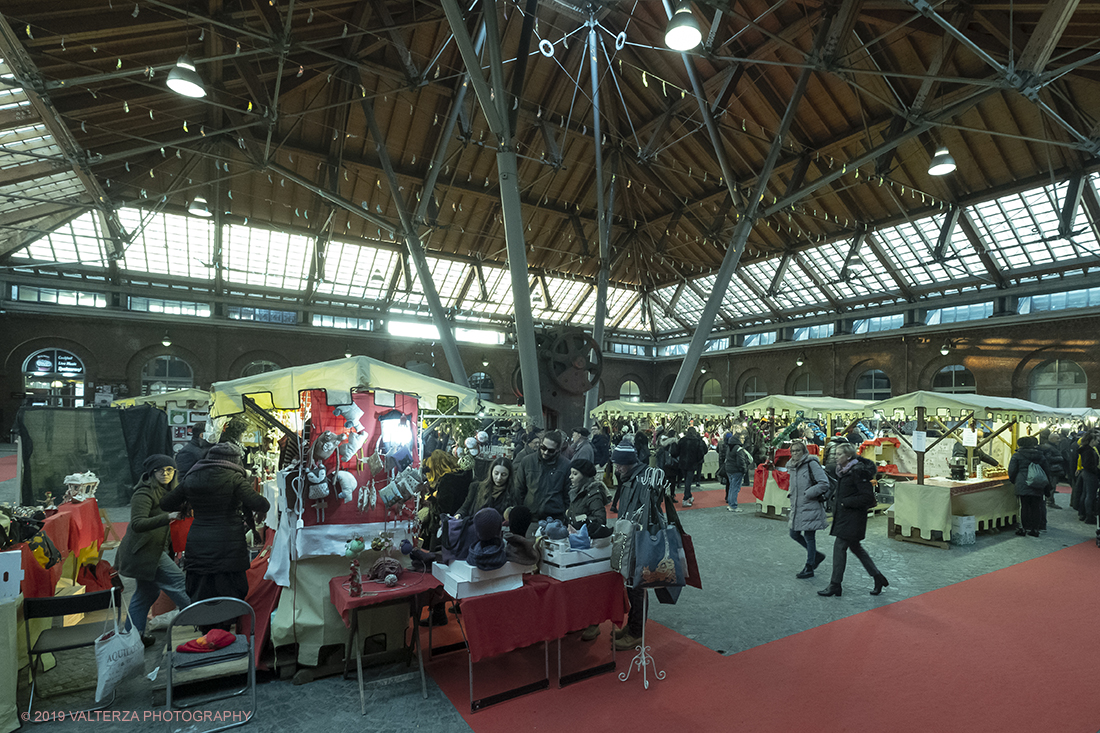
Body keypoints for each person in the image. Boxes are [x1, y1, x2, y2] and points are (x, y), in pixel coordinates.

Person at [161, 440, 270, 606]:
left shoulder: (192, 476)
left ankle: (207, 629)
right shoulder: (235, 478)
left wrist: (192, 501)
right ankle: (225, 629)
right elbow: (261, 504)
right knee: (230, 592)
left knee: (202, 592)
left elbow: (166, 503)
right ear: (235, 461)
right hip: (229, 544)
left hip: (198, 543)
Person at [116, 454, 191, 645]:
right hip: (145, 553)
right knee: (179, 584)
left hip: (154, 550)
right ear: (152, 473)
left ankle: (133, 638)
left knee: (146, 594)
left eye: (169, 470)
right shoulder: (144, 493)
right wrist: (167, 516)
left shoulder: (169, 490)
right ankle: (200, 622)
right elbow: (137, 523)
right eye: (160, 470)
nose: (165, 473)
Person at [818, 443, 887, 597]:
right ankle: (877, 577)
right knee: (856, 548)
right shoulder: (844, 472)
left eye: (839, 454)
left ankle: (835, 584)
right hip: (845, 517)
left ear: (848, 456)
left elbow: (867, 497)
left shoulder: (858, 472)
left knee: (839, 547)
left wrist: (845, 503)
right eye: (835, 454)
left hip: (853, 518)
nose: (836, 457)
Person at [608, 439, 655, 651]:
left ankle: (637, 632)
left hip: (639, 538)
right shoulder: (628, 477)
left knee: (638, 587)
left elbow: (645, 513)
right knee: (632, 586)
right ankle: (633, 627)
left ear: (629, 462)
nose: (617, 468)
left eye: (620, 464)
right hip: (631, 535)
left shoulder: (642, 480)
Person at [785, 441, 829, 579]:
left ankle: (809, 566)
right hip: (798, 507)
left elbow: (824, 482)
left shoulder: (811, 464)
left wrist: (808, 493)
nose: (795, 453)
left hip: (811, 506)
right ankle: (816, 556)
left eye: (798, 450)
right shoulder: (792, 466)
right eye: (793, 451)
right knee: (794, 533)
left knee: (810, 537)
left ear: (804, 451)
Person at [420, 450, 473, 550]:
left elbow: (442, 509)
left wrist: (431, 498)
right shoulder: (462, 477)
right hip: (459, 526)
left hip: (444, 528)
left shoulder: (446, 481)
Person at [513, 429, 571, 521]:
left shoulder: (566, 465)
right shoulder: (527, 461)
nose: (546, 452)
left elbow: (568, 493)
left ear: (558, 450)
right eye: (543, 448)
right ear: (540, 444)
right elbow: (519, 489)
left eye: (551, 450)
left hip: (555, 517)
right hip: (530, 516)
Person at [1007, 436, 1049, 537]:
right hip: (1038, 483)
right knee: (1036, 506)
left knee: (1024, 506)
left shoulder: (1017, 456)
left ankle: (1025, 528)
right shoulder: (1040, 455)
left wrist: (1014, 481)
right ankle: (1035, 529)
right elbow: (1046, 469)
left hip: (1023, 482)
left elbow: (1012, 471)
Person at [566, 458, 610, 530]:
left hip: (586, 536)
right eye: (570, 473)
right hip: (576, 533)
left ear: (585, 476)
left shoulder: (593, 495)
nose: (570, 477)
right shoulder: (575, 491)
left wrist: (580, 519)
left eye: (575, 474)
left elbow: (600, 519)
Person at [677, 427, 707, 507]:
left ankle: (689, 496)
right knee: (688, 481)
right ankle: (685, 498)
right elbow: (703, 451)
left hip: (682, 462)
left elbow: (676, 451)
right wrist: (698, 460)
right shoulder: (697, 441)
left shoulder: (682, 440)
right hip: (692, 463)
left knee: (687, 479)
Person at [724, 434, 753, 513]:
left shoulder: (729, 447)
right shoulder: (739, 449)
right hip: (736, 470)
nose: (743, 440)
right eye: (742, 438)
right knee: (735, 488)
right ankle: (733, 505)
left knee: (731, 487)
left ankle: (730, 504)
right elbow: (741, 461)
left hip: (729, 469)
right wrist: (744, 470)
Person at [1075, 432, 1100, 526]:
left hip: (1086, 473)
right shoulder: (1089, 451)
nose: (1097, 442)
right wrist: (1096, 470)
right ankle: (1089, 515)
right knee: (1090, 495)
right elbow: (1089, 464)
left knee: (1085, 494)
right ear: (1092, 441)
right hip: (1090, 474)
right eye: (1096, 440)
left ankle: (1083, 513)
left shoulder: (1084, 450)